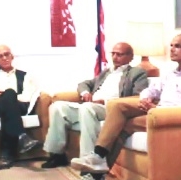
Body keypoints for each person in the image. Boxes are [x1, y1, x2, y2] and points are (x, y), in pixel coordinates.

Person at [69, 33, 181, 180]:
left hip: (171, 117)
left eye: (178, 46)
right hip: (156, 112)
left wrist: (156, 110)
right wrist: (146, 98)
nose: (172, 49)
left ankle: (96, 171)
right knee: (117, 106)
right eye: (172, 45)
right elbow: (152, 89)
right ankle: (98, 160)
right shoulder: (171, 73)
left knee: (122, 123)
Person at [41, 42, 150, 171]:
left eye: (119, 54)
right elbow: (84, 84)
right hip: (92, 105)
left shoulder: (137, 73)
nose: (115, 57)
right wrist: (85, 93)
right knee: (58, 106)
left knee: (87, 108)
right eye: (113, 54)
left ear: (130, 57)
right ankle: (56, 154)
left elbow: (137, 97)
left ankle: (88, 158)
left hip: (111, 108)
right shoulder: (107, 72)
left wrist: (106, 101)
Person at [0, 44, 41, 170]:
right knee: (8, 98)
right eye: (0, 56)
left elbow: (26, 97)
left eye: (6, 54)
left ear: (12, 56)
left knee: (9, 95)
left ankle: (6, 156)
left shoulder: (25, 75)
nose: (4, 58)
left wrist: (8, 96)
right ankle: (22, 137)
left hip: (18, 107)